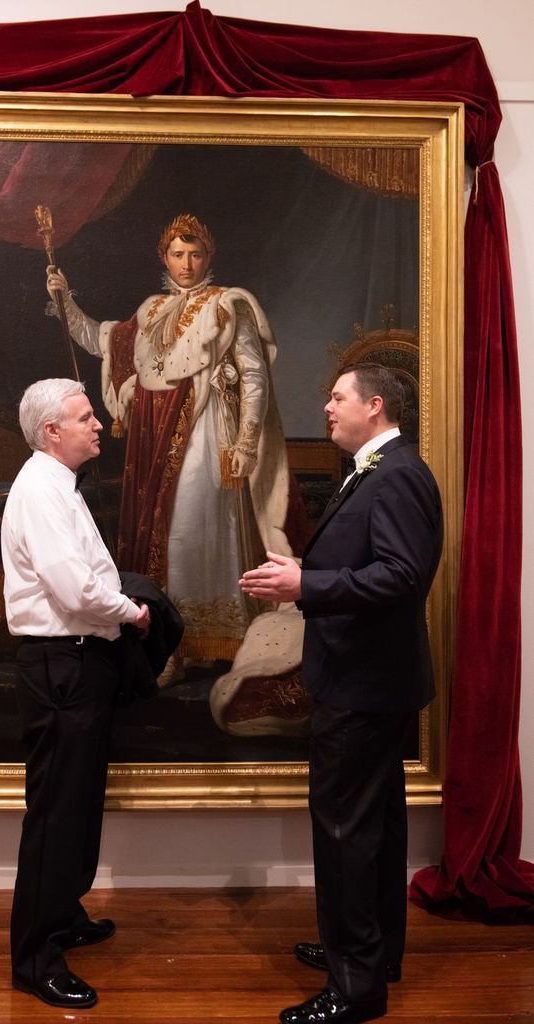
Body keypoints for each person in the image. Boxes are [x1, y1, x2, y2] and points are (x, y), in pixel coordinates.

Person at [240, 363, 443, 1024]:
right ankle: (371, 954)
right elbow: (369, 564)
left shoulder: (399, 475)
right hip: (368, 680)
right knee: (374, 830)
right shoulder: (380, 471)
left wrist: (308, 589)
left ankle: (355, 986)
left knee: (345, 834)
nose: (326, 407)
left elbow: (400, 578)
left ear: (375, 406)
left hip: (364, 683)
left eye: (337, 397)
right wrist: (312, 571)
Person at [46, 214, 293, 677]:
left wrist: (246, 441)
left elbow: (254, 375)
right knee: (164, 533)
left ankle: (224, 639)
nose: (187, 263)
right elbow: (105, 343)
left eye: (195, 254)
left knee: (200, 529)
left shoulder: (228, 305)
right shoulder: (152, 310)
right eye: (178, 254)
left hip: (209, 431)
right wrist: (64, 301)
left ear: (208, 257)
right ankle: (168, 644)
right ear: (165, 258)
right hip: (153, 438)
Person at [1, 378, 151, 1009]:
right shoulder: (40, 490)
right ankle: (36, 959)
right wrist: (134, 614)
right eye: (85, 417)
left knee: (80, 801)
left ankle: (62, 917)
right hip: (61, 660)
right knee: (57, 813)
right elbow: (76, 590)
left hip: (79, 661)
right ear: (51, 433)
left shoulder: (58, 485)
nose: (98, 425)